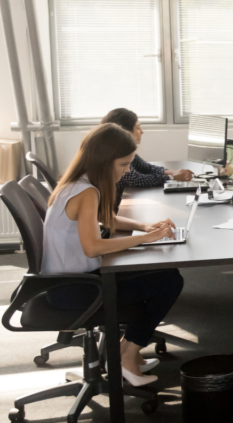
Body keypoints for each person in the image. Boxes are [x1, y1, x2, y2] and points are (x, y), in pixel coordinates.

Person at [42, 124, 184, 387]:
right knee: (169, 282)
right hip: (77, 289)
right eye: (123, 164)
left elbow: (107, 219)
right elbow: (93, 247)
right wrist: (145, 238)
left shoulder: (77, 182)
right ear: (103, 161)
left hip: (67, 282)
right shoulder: (87, 192)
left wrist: (144, 227)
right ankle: (127, 355)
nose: (128, 170)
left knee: (164, 274)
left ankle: (126, 351)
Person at [101, 108, 193, 211]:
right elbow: (138, 180)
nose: (142, 132)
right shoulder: (115, 156)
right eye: (138, 128)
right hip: (111, 213)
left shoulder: (125, 151)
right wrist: (171, 177)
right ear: (125, 131)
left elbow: (145, 167)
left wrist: (170, 172)